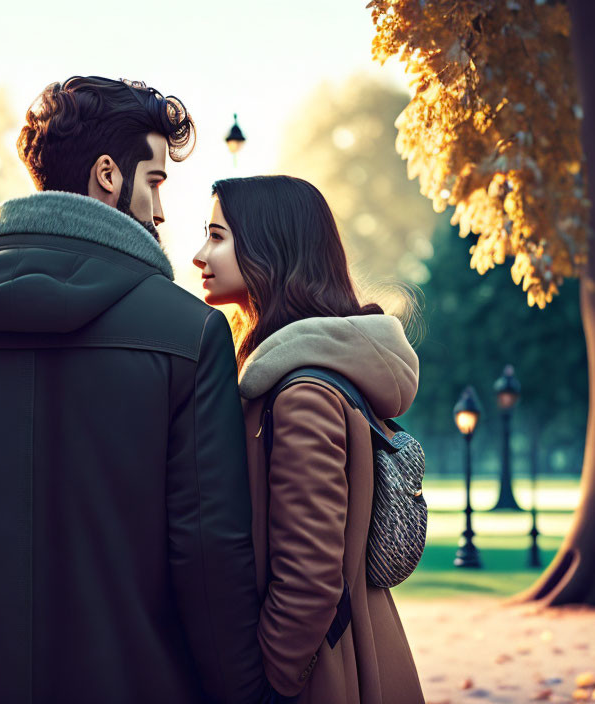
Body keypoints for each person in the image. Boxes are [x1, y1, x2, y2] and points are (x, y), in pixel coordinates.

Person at [0, 76, 268, 704]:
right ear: (108, 174)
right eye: (156, 180)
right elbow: (208, 557)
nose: (162, 209)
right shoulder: (190, 333)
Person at [193, 175, 425, 704]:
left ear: (267, 250)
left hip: (324, 674)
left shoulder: (302, 395)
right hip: (339, 655)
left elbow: (310, 578)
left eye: (216, 235)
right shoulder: (300, 376)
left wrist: (269, 682)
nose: (199, 254)